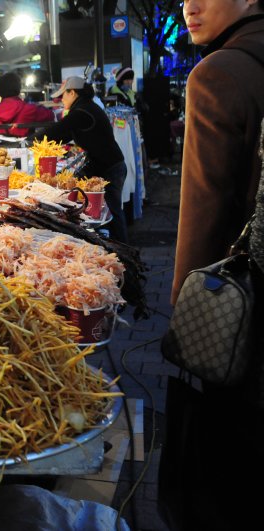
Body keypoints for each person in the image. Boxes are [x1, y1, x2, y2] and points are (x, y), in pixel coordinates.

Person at [163, 1, 264, 529]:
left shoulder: (220, 74)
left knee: (228, 471)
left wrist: (185, 310)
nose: (189, 6)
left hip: (245, 302)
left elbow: (202, 214)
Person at [33, 77, 129, 243]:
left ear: (73, 92)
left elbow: (59, 129)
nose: (61, 99)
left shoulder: (82, 112)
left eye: (63, 95)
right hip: (106, 166)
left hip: (111, 168)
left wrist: (31, 140)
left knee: (112, 213)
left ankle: (124, 254)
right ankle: (111, 247)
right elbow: (65, 135)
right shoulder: (86, 109)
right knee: (108, 212)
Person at [0, 72, 54, 137]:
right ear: (19, 89)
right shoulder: (30, 109)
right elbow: (51, 115)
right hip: (27, 146)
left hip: (0, 147)